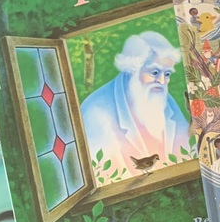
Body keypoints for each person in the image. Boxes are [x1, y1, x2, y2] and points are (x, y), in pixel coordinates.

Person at [80, 31, 190, 179]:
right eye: (155, 72)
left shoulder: (163, 98)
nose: (162, 81)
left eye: (167, 74)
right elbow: (105, 177)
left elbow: (188, 151)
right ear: (132, 70)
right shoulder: (96, 112)